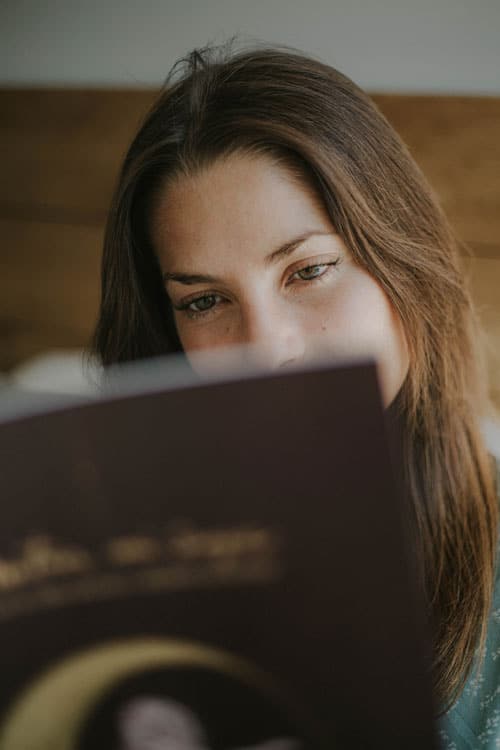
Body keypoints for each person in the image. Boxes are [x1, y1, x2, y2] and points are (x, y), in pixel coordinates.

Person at [92, 43, 500, 748]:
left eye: (308, 270)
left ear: (400, 262)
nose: (267, 348)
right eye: (204, 300)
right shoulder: (111, 546)